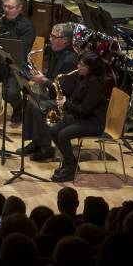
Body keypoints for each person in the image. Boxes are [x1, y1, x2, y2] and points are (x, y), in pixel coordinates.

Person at [20, 23, 80, 162]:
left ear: (64, 40)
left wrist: (44, 81)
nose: (50, 39)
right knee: (29, 99)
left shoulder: (70, 60)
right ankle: (36, 143)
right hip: (54, 94)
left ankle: (47, 148)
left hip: (66, 101)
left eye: (53, 36)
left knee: (39, 107)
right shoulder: (54, 52)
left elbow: (64, 90)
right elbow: (53, 78)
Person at [49, 52, 110, 183]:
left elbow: (84, 110)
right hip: (80, 117)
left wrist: (66, 104)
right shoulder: (83, 77)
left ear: (91, 68)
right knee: (54, 131)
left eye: (81, 65)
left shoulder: (96, 84)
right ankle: (70, 161)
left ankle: (70, 168)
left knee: (63, 135)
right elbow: (76, 98)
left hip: (93, 122)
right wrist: (66, 99)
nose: (77, 66)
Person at [0, 0, 35, 124]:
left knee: (10, 94)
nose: (6, 10)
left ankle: (19, 108)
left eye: (10, 7)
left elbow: (23, 51)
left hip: (16, 66)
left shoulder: (27, 27)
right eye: (5, 6)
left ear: (19, 8)